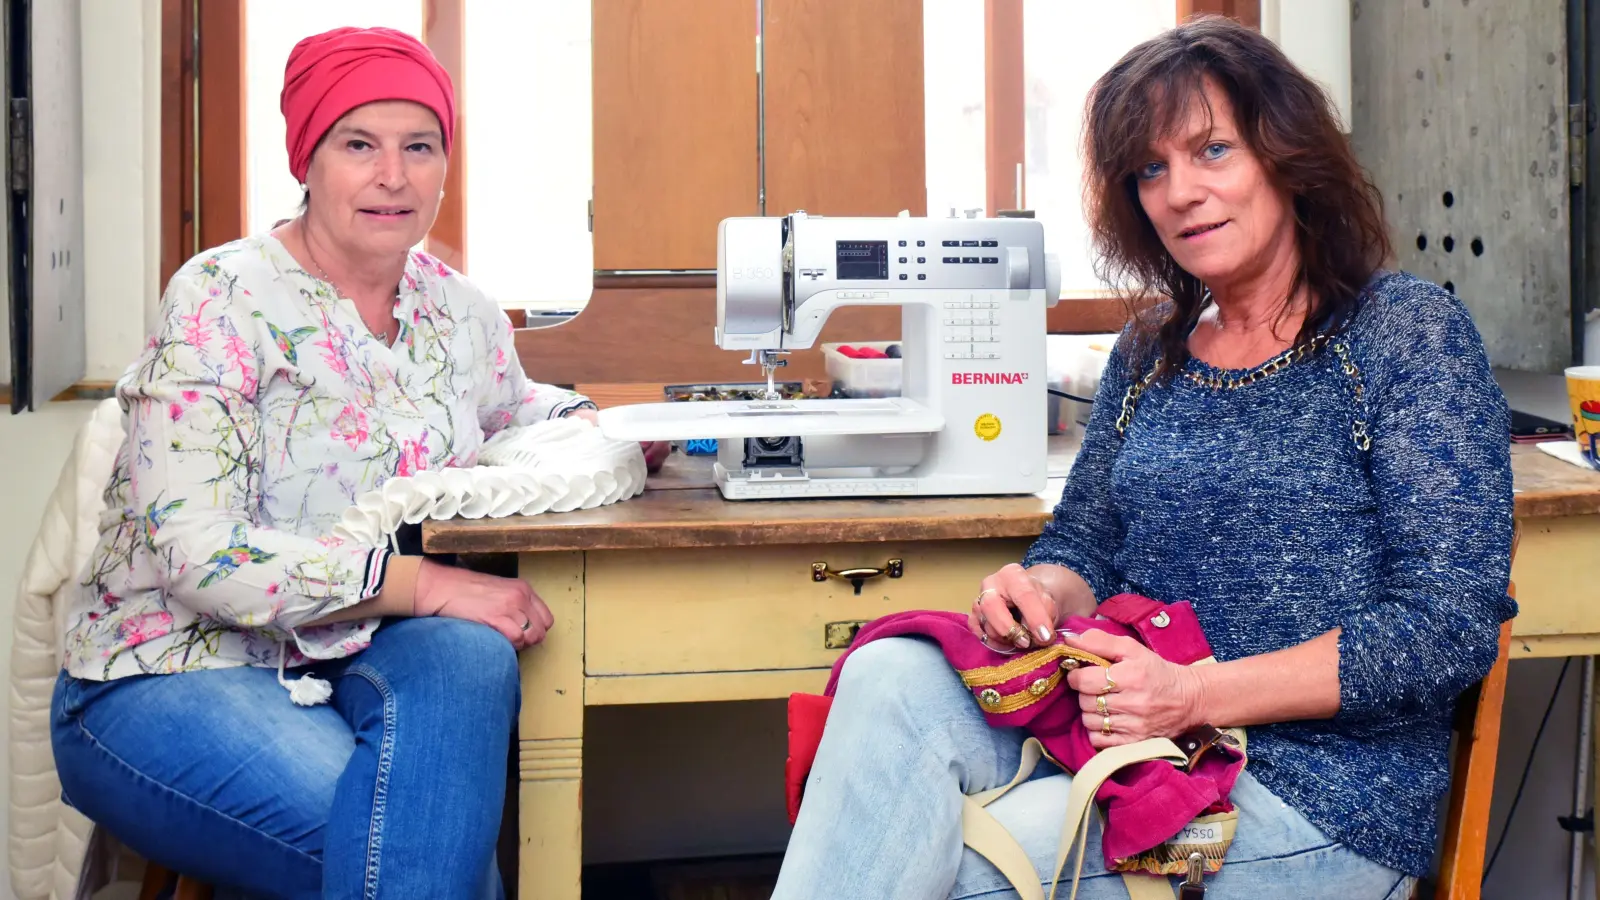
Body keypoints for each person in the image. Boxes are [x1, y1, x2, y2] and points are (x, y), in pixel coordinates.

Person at [772, 16, 1514, 900]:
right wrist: (1040, 590)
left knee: (970, 869)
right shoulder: (1150, 351)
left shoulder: (1405, 334)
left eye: (1212, 150)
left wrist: (1194, 697)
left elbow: (1446, 625)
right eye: (1151, 169)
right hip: (1133, 734)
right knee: (889, 678)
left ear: (1287, 156)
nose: (1180, 193)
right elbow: (1086, 543)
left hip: (1322, 796)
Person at [49, 26, 665, 900]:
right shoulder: (221, 298)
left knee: (470, 660)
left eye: (420, 147)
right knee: (427, 863)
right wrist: (428, 583)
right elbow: (199, 554)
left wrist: (618, 429)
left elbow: (516, 410)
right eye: (359, 145)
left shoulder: (462, 313)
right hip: (173, 666)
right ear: (309, 159)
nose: (394, 176)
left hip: (363, 649)